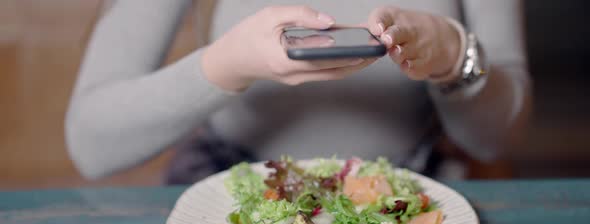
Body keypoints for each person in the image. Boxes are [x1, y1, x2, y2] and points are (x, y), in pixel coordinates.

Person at [65, 0, 531, 183]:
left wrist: (455, 54)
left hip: (407, 199)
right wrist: (225, 66)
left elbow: (499, 139)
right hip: (227, 203)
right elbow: (92, 142)